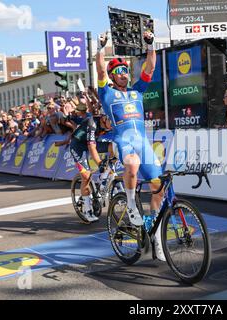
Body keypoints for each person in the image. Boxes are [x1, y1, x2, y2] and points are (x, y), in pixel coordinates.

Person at [96, 30, 167, 261]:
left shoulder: (137, 91)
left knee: (158, 187)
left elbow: (150, 68)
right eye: (119, 71)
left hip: (143, 141)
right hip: (122, 141)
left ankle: (155, 237)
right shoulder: (106, 93)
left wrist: (151, 44)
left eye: (126, 70)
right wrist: (100, 48)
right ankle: (130, 205)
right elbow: (99, 69)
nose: (124, 74)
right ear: (112, 76)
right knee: (132, 164)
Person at [66, 103, 103, 223]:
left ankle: (100, 185)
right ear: (104, 118)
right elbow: (92, 148)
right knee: (86, 176)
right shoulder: (92, 123)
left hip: (89, 142)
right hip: (77, 146)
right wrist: (100, 164)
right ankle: (87, 210)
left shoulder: (110, 124)